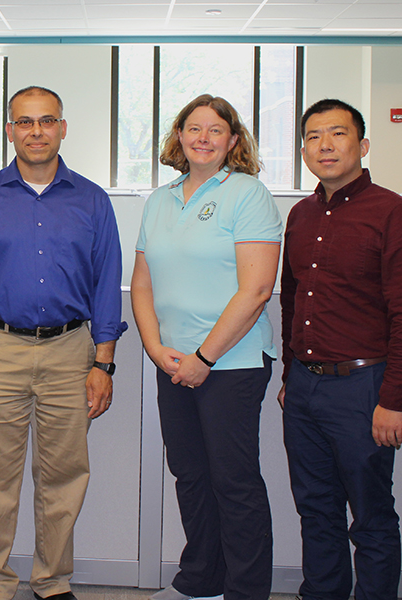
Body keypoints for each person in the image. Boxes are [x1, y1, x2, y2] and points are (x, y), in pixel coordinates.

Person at [0, 85, 126, 600]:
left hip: (72, 350)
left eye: (47, 121)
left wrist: (103, 364)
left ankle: (52, 579)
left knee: (64, 474)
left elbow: (105, 283)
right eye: (25, 122)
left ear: (63, 128)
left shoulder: (91, 199)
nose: (37, 131)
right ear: (10, 131)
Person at [130, 94, 282, 600]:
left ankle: (245, 590)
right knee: (190, 475)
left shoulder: (248, 194)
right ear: (178, 137)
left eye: (215, 130)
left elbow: (256, 290)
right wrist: (155, 347)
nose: (202, 138)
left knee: (233, 481)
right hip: (173, 361)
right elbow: (144, 284)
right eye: (193, 128)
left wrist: (204, 359)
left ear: (233, 141)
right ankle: (200, 581)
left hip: (231, 364)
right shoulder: (160, 198)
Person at [279, 99, 402, 600]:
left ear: (362, 146)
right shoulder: (299, 216)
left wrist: (395, 398)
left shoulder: (395, 214)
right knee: (316, 510)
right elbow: (292, 301)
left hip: (365, 388)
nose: (325, 145)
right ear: (303, 150)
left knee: (369, 516)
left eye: (338, 134)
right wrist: (288, 377)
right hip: (304, 385)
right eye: (314, 136)